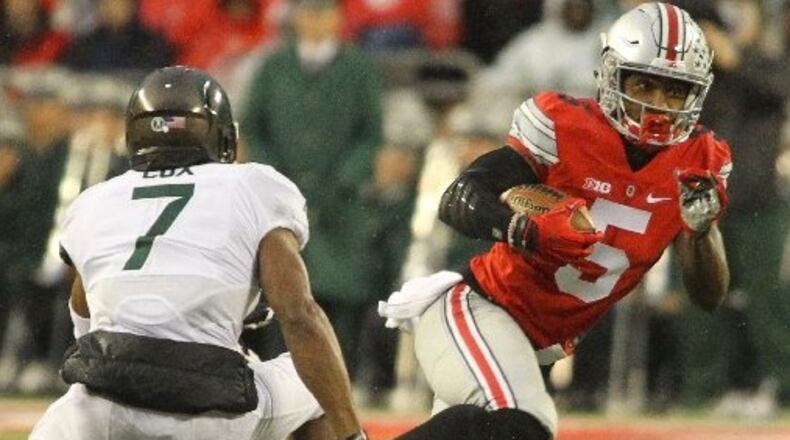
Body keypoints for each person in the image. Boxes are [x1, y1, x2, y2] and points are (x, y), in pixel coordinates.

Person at [378, 3, 732, 439]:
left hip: (533, 346)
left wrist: (701, 230)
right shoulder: (563, 126)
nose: (658, 106)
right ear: (612, 75)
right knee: (525, 424)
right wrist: (525, 230)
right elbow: (459, 198)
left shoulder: (699, 160)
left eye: (675, 91)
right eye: (644, 84)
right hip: (478, 309)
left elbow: (709, 295)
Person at [30, 66, 367, 440]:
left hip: (98, 405)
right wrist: (351, 432)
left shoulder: (95, 200)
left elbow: (84, 310)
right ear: (221, 135)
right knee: (316, 388)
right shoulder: (252, 186)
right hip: (207, 407)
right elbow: (299, 313)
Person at [241, 0, 383, 372]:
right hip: (283, 199)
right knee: (282, 291)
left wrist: (344, 179)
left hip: (342, 202)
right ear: (297, 18)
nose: (316, 21)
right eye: (309, 12)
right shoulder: (273, 66)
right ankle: (280, 374)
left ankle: (343, 376)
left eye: (324, 12)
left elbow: (370, 133)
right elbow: (253, 126)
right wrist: (275, 175)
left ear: (338, 17)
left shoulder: (359, 68)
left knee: (341, 292)